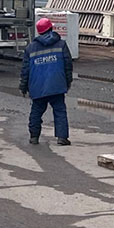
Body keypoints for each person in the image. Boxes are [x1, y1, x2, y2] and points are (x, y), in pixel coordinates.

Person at [21, 17, 74, 146]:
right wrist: (67, 82)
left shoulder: (30, 48)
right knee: (60, 111)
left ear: (39, 32)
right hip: (57, 85)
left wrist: (23, 86)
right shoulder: (61, 45)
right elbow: (68, 65)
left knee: (36, 111)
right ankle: (62, 138)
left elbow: (25, 70)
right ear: (51, 28)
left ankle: (34, 137)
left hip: (38, 86)